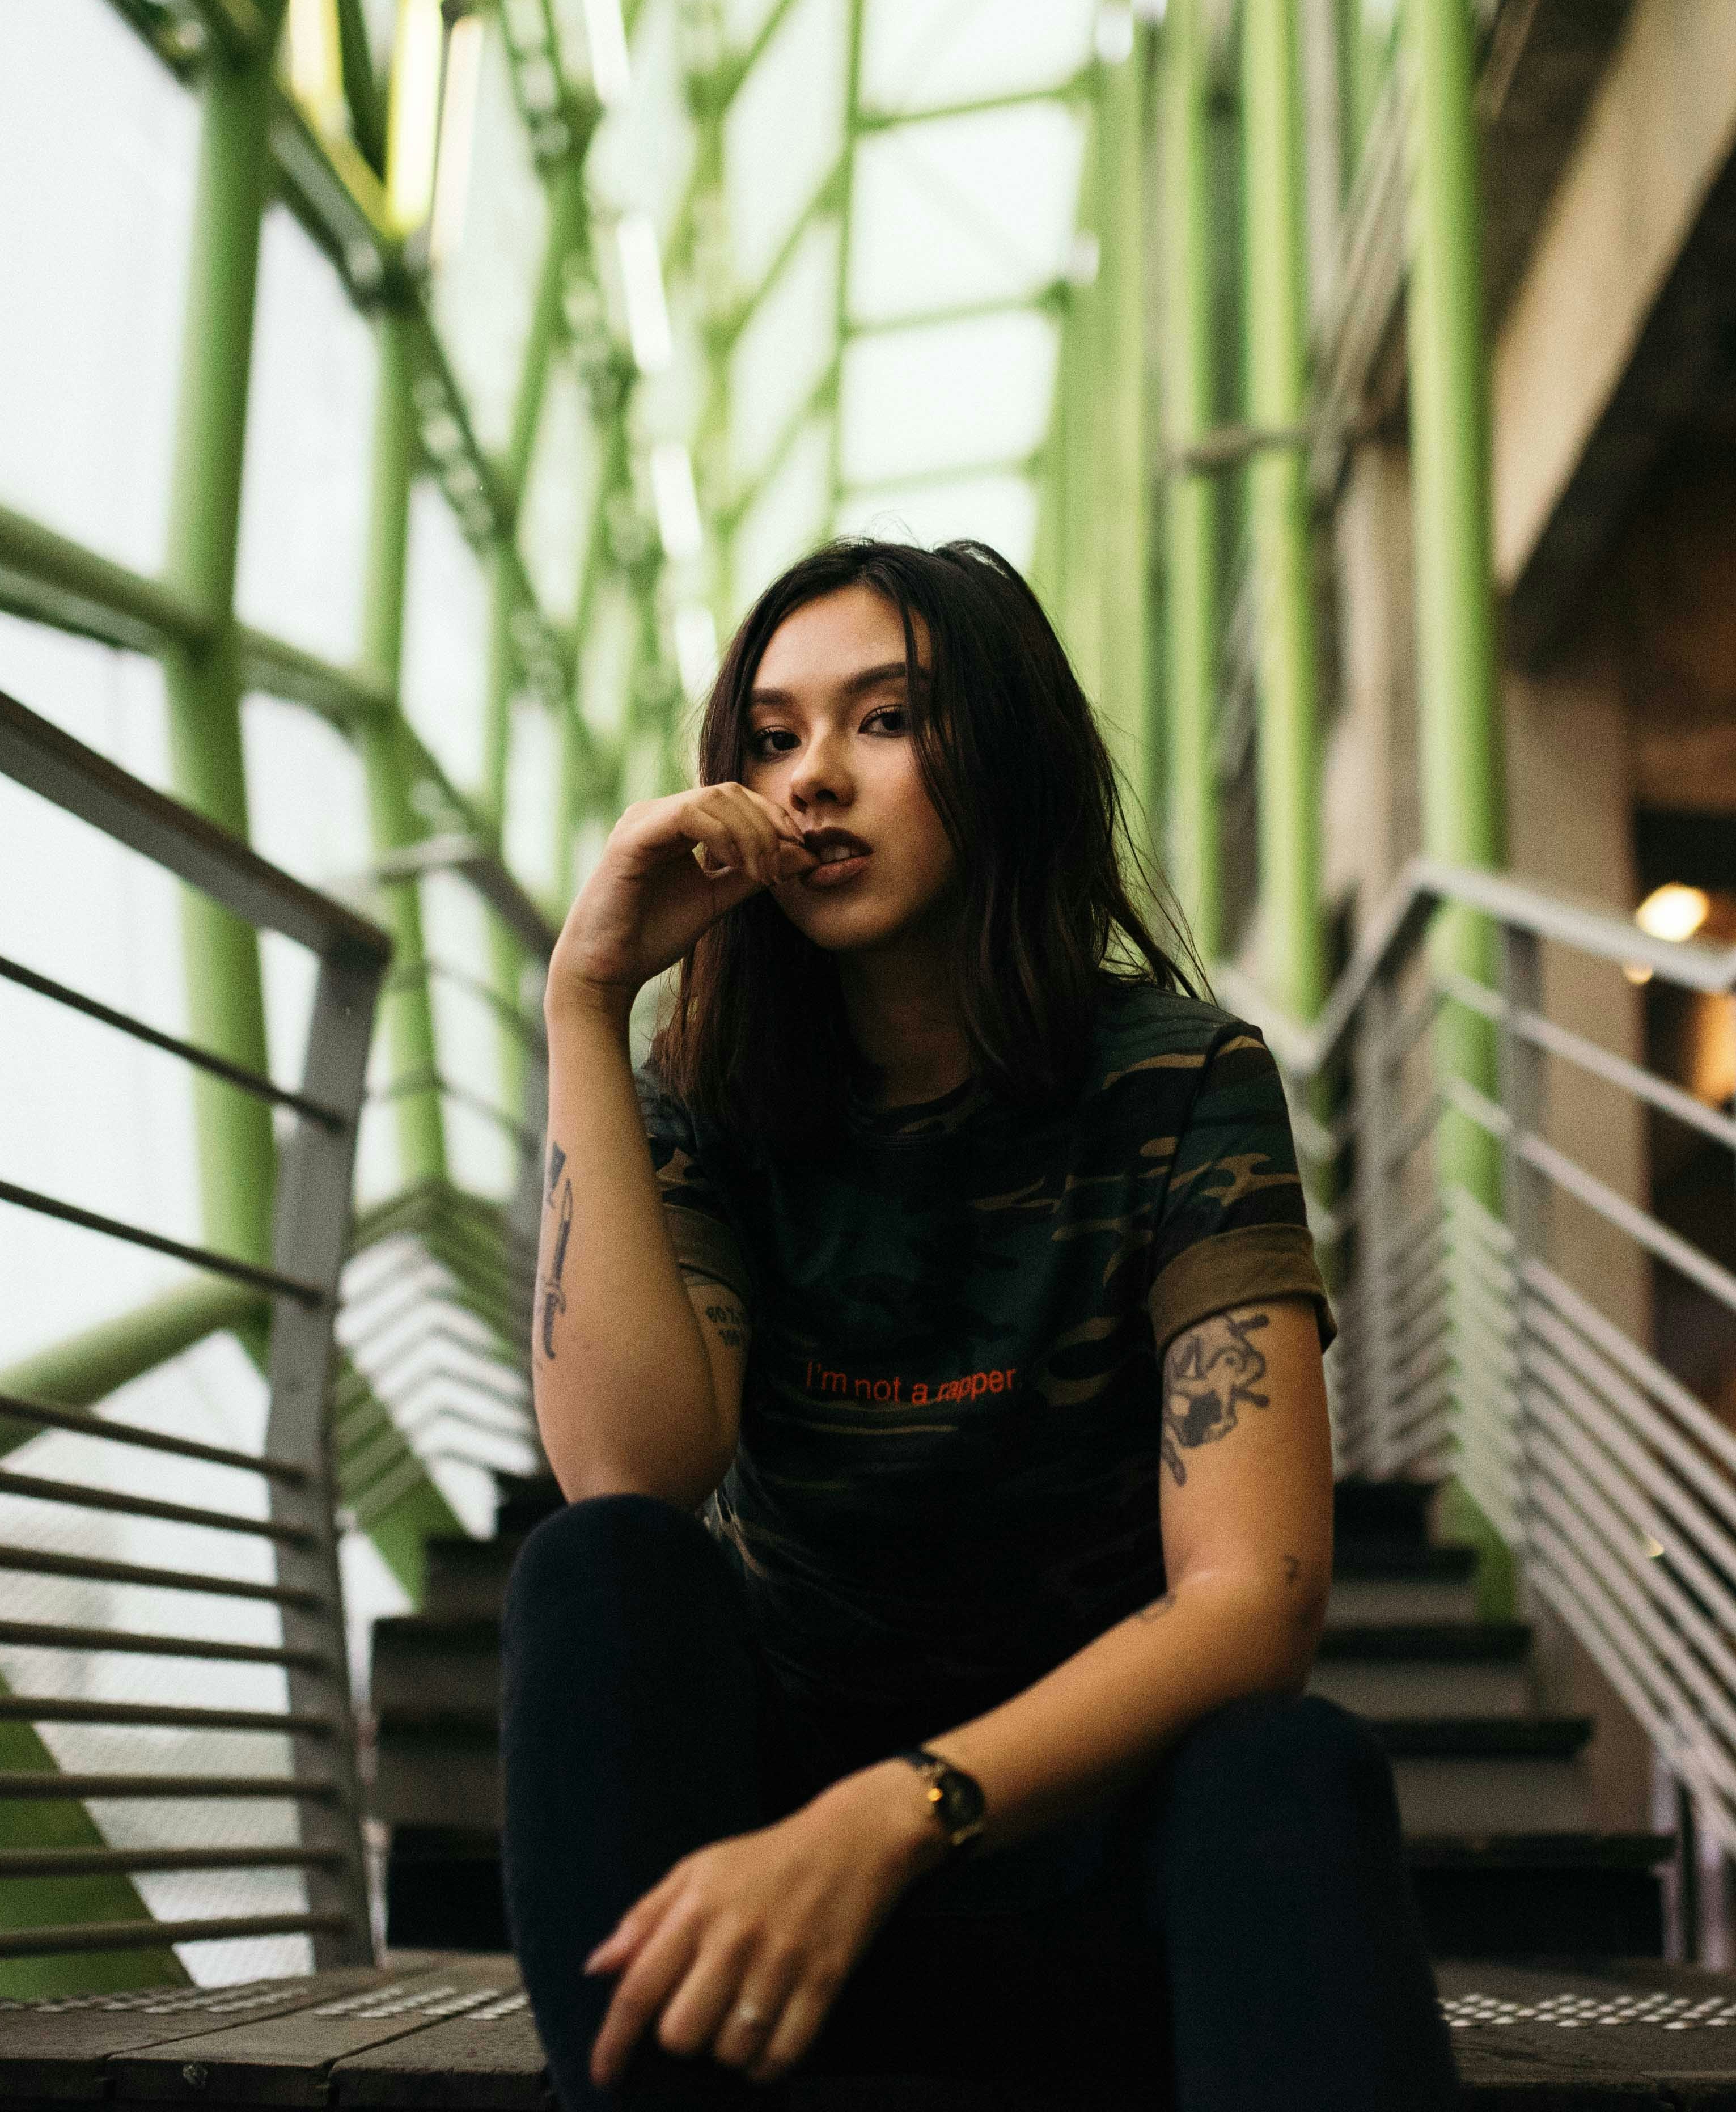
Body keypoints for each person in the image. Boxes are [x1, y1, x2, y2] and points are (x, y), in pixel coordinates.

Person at [504, 537, 1453, 2110]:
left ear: (1001, 757)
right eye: (773, 736)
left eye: (884, 721)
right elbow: (633, 1469)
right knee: (599, 1576)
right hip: (766, 1920)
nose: (813, 781)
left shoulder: (1178, 1082)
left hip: (1077, 1857)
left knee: (1290, 1766)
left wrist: (889, 1816)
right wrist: (587, 1005)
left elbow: (1256, 1600)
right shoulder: (713, 1093)